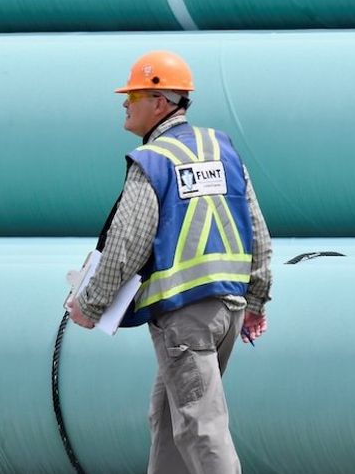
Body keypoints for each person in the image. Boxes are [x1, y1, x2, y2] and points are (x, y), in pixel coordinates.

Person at [66, 50, 272, 474]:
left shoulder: (153, 160)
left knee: (201, 426)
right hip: (226, 313)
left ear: (160, 103)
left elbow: (127, 242)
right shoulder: (221, 148)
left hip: (185, 318)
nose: (125, 102)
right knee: (168, 418)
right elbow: (257, 228)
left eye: (134, 94)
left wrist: (89, 306)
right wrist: (256, 299)